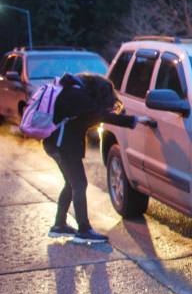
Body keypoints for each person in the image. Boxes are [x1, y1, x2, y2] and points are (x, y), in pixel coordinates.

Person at [43, 73, 155, 243]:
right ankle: (84, 229)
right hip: (64, 146)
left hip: (56, 144)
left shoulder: (72, 92)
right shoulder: (80, 98)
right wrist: (137, 120)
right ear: (100, 91)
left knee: (71, 183)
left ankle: (59, 225)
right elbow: (103, 116)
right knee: (79, 184)